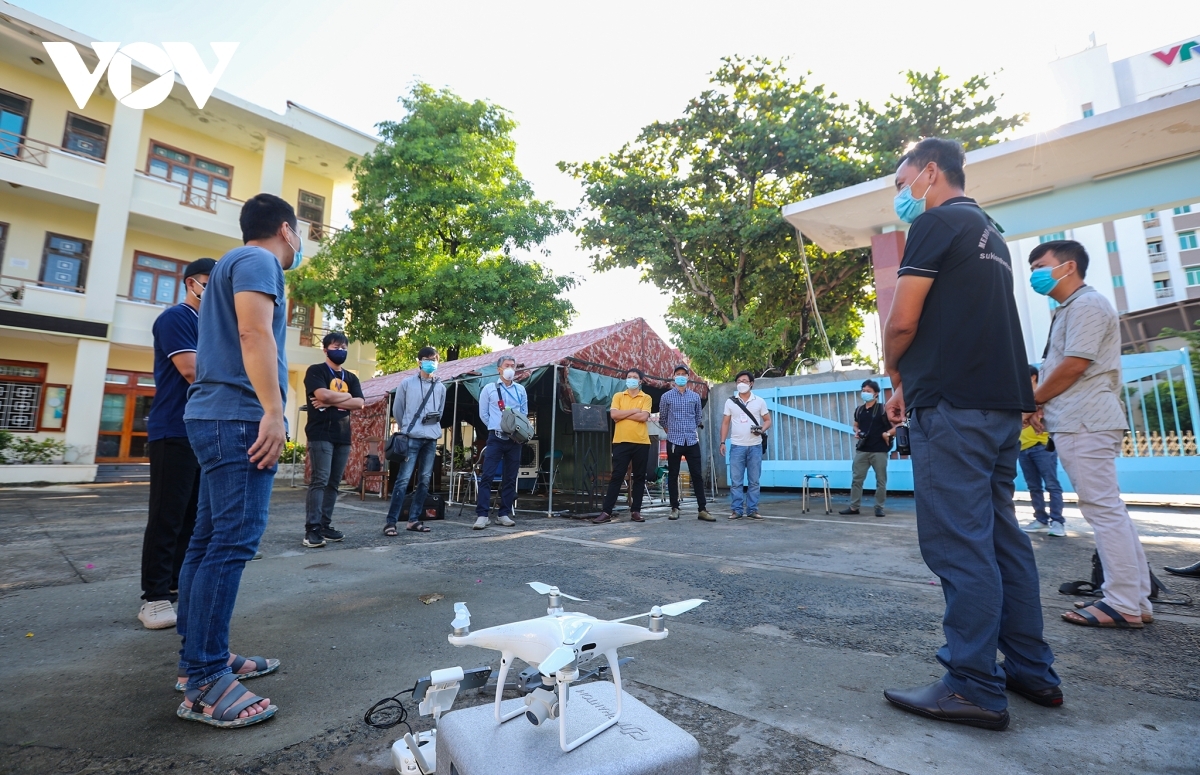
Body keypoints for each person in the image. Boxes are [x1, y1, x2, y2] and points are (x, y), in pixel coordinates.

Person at [881, 138, 1059, 731]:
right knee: (1001, 536)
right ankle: (1030, 668)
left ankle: (973, 684)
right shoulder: (990, 232)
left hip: (954, 407)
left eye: (902, 183)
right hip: (1000, 405)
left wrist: (893, 371)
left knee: (959, 543)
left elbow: (904, 317)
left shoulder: (936, 224)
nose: (900, 196)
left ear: (930, 174)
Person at [175, 193, 302, 728]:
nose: (301, 244)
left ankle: (201, 657)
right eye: (300, 234)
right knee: (231, 542)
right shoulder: (258, 261)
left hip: (213, 416)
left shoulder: (227, 265)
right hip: (237, 418)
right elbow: (254, 334)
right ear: (285, 229)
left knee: (208, 540)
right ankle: (204, 680)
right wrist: (273, 410)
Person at [1028, 240, 1151, 629]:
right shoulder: (1072, 308)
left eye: (1040, 265)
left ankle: (1123, 602)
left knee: (1103, 509)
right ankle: (1135, 598)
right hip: (1081, 418)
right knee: (1109, 509)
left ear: (1068, 266)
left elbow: (1075, 364)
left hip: (1086, 420)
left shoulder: (1086, 305)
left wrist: (1033, 401)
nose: (1035, 273)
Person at [137, 257, 215, 630]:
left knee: (192, 518)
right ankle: (153, 598)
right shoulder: (177, 318)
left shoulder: (212, 325)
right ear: (191, 283)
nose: (214, 290)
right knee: (167, 515)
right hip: (173, 430)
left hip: (200, 431)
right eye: (208, 282)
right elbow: (191, 370)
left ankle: (174, 587)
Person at [302, 331, 364, 548]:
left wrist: (333, 400)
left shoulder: (351, 377)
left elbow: (359, 403)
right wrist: (343, 398)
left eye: (344, 347)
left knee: (334, 483)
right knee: (320, 480)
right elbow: (322, 395)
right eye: (337, 347)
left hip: (343, 435)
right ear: (326, 349)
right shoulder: (316, 371)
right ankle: (312, 529)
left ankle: (325, 524)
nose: (341, 351)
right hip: (320, 433)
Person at [384, 347, 447, 535]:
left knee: (425, 481)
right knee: (403, 480)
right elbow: (398, 409)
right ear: (419, 361)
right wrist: (407, 428)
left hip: (431, 438)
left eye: (434, 359)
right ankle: (391, 521)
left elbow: (441, 411)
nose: (431, 362)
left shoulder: (441, 387)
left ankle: (414, 519)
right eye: (427, 359)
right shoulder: (407, 383)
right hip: (411, 437)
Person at [593, 368, 654, 524]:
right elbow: (614, 415)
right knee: (617, 476)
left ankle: (636, 511)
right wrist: (634, 411)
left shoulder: (646, 397)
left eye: (635, 377)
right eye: (629, 377)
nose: (631, 379)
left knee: (639, 477)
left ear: (640, 381)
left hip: (641, 442)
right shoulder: (618, 396)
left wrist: (624, 414)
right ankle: (606, 512)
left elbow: (644, 417)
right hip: (621, 441)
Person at [474, 355, 525, 529]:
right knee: (487, 475)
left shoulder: (520, 390)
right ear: (499, 369)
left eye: (513, 365)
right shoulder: (489, 389)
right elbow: (483, 414)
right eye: (507, 365)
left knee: (510, 478)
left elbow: (523, 412)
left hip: (515, 439)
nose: (510, 368)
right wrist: (495, 426)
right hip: (495, 437)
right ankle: (482, 515)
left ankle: (504, 513)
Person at [659, 364, 713, 522]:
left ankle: (702, 509)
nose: (681, 376)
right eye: (678, 374)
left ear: (688, 377)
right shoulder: (666, 397)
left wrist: (690, 429)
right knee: (673, 475)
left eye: (684, 374)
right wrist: (671, 432)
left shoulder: (695, 397)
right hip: (674, 441)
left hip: (691, 440)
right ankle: (674, 508)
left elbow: (698, 417)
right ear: (674, 377)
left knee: (697, 475)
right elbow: (663, 418)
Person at [1018, 365, 1065, 538]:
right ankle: (1040, 519)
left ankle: (1058, 522)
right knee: (1034, 487)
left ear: (1032, 377)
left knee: (1051, 484)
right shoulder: (1021, 398)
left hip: (1042, 446)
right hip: (1023, 447)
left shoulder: (1043, 396)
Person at [719, 371, 771, 520]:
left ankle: (752, 510)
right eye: (739, 381)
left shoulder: (759, 401)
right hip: (736, 446)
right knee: (736, 481)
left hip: (755, 446)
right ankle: (736, 510)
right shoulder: (730, 402)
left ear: (751, 383)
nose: (741, 383)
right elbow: (725, 423)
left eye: (745, 381)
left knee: (754, 481)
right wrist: (723, 442)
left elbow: (768, 420)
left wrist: (761, 429)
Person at [839, 379, 893, 518]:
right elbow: (855, 425)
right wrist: (856, 431)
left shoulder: (883, 409)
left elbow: (896, 426)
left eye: (868, 391)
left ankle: (879, 507)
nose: (865, 393)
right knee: (857, 479)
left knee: (881, 480)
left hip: (879, 450)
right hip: (863, 449)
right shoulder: (859, 410)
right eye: (863, 390)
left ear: (876, 394)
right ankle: (854, 507)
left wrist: (887, 434)